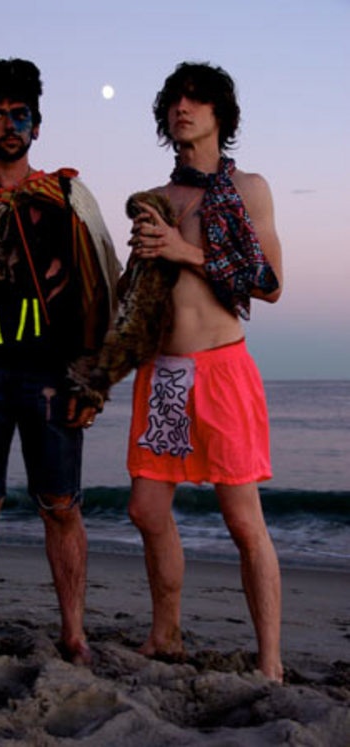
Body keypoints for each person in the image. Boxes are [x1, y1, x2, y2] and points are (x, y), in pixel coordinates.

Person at [0, 57, 120, 664]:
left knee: (61, 505)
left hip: (52, 375)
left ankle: (74, 636)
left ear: (36, 125)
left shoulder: (68, 196)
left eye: (20, 114)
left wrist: (95, 381)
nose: (10, 123)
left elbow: (105, 290)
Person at [124, 62, 283, 682]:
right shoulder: (159, 199)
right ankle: (165, 635)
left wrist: (184, 250)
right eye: (173, 101)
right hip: (163, 373)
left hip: (221, 367)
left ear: (221, 114)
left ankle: (269, 662)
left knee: (244, 521)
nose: (181, 108)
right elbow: (140, 292)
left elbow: (268, 283)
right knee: (144, 508)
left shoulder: (248, 187)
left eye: (195, 100)